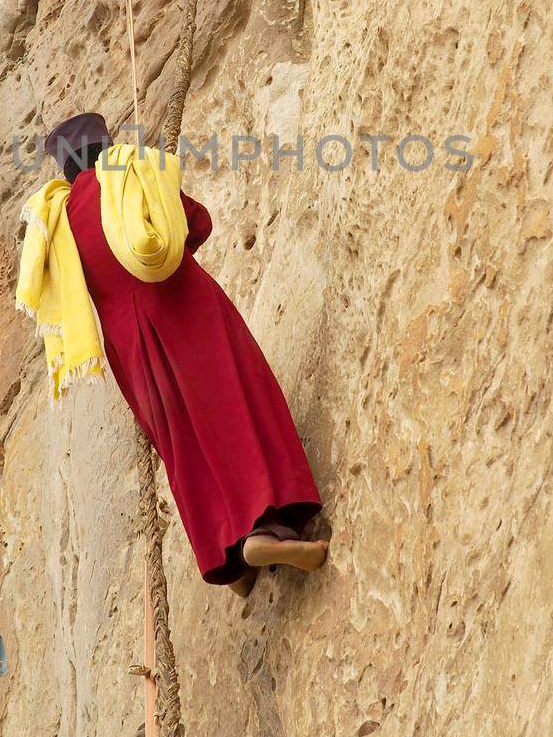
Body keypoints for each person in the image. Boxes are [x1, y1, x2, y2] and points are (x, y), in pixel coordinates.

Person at [17, 113, 328, 597]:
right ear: (105, 145)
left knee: (181, 442)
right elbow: (192, 222)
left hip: (129, 345)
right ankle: (264, 526)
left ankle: (228, 554)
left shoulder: (58, 224)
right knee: (232, 403)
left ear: (63, 167)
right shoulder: (129, 171)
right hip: (183, 305)